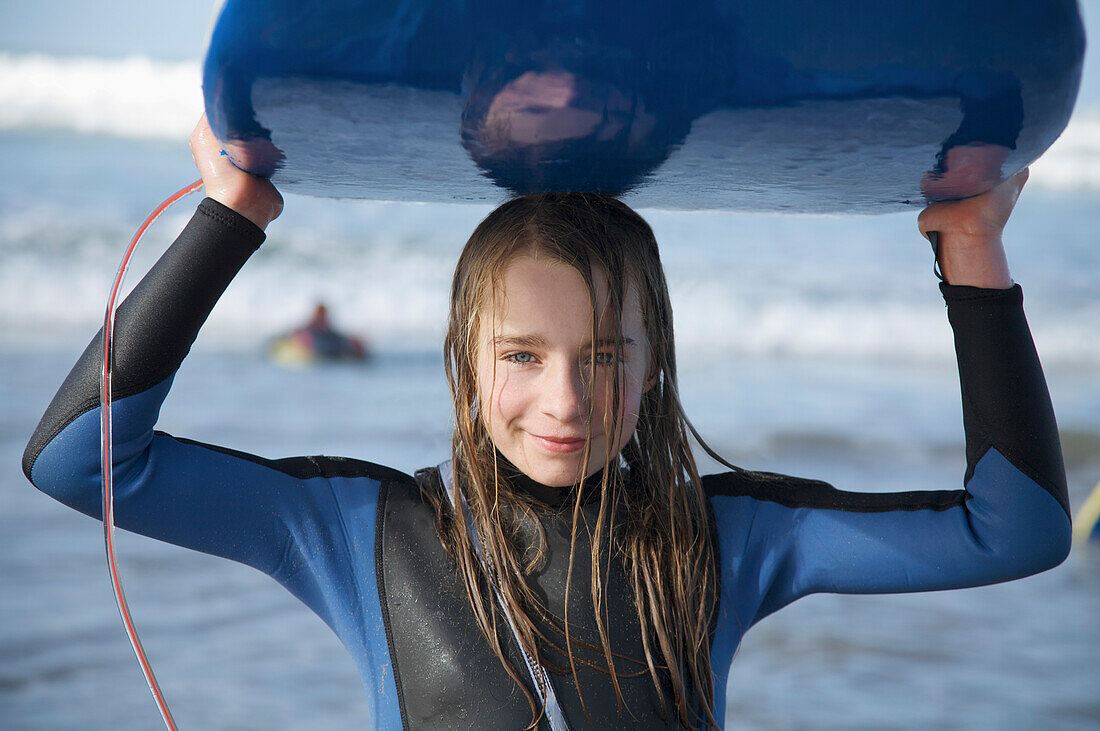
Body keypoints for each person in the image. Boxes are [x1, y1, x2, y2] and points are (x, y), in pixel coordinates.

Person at [22, 116, 1069, 730]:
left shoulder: (726, 536)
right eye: (521, 356)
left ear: (656, 363)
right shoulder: (361, 528)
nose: (565, 401)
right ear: (465, 362)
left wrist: (969, 247)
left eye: (606, 356)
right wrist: (230, 215)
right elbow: (77, 459)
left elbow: (1011, 531)